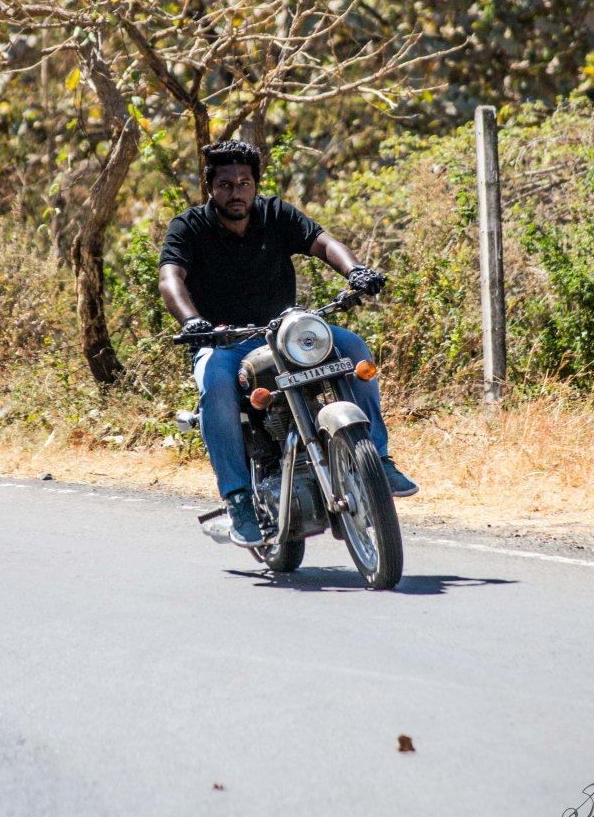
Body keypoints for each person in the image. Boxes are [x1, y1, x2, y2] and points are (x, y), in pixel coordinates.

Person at [158, 139, 417, 548]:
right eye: (226, 184)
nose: (236, 191)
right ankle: (238, 497)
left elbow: (323, 243)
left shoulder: (275, 214)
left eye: (244, 182)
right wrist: (194, 322)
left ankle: (378, 461)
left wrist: (356, 271)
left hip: (285, 334)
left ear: (255, 185)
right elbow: (170, 277)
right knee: (215, 386)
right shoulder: (188, 227)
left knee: (354, 350)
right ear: (210, 187)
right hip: (224, 341)